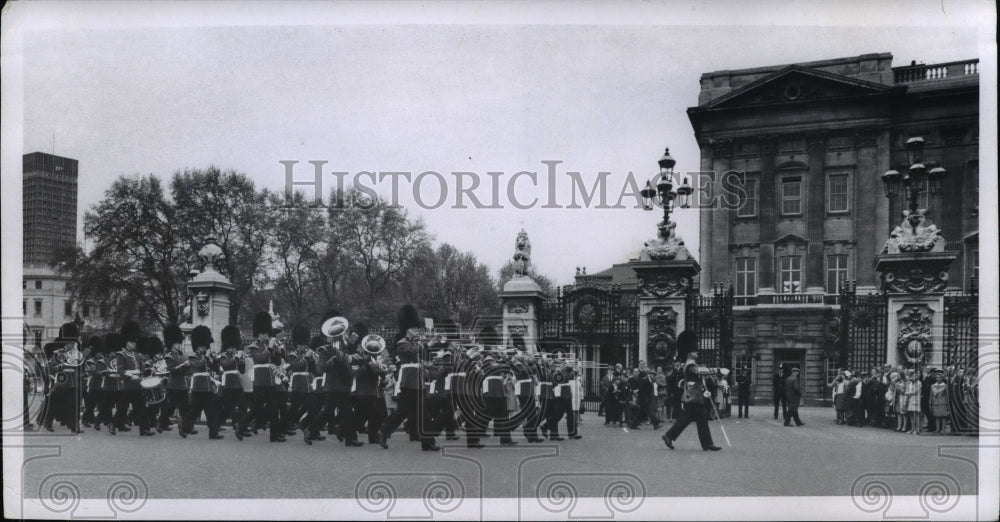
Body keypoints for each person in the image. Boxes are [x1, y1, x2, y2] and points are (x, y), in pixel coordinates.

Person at [377, 304, 439, 451]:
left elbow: (423, 355)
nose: (416, 330)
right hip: (408, 382)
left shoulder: (416, 343)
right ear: (408, 329)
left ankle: (428, 442)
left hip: (418, 382)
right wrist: (425, 344)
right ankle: (384, 431)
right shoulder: (402, 343)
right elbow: (410, 352)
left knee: (424, 413)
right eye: (414, 328)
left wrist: (429, 345)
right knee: (402, 412)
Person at [662, 351, 721, 451]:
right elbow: (701, 371)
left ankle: (708, 444)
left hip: (696, 398)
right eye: (696, 354)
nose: (698, 355)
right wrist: (718, 370)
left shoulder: (692, 365)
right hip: (691, 399)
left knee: (701, 421)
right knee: (687, 420)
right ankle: (669, 436)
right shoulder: (690, 366)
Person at [181, 326, 223, 440]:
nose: (204, 348)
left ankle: (213, 432)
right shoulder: (192, 356)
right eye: (202, 346)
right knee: (194, 411)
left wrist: (214, 360)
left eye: (205, 346)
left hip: (208, 387)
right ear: (197, 346)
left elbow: (215, 369)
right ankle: (184, 427)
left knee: (212, 411)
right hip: (198, 387)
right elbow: (196, 365)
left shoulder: (206, 356)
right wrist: (206, 358)